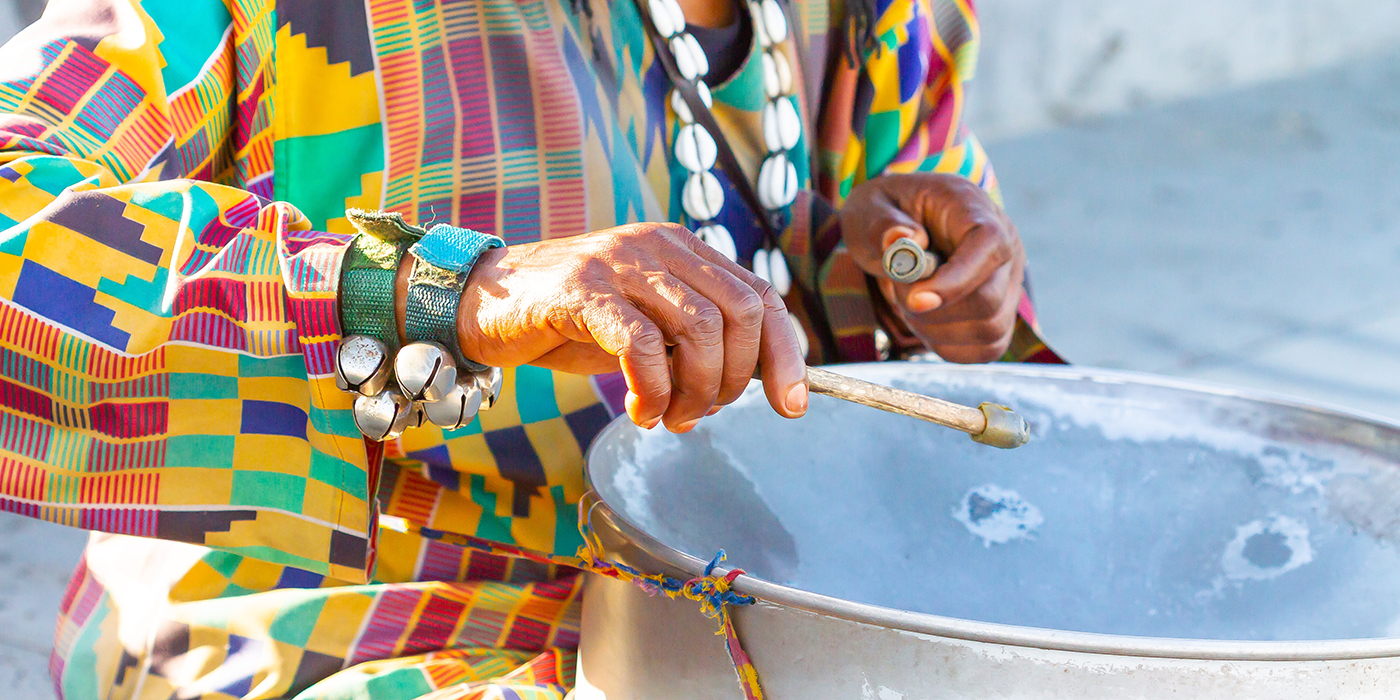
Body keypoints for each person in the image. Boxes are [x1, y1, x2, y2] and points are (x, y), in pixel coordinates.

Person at [0, 0, 1060, 697]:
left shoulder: (877, 20)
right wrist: (461, 292)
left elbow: (931, 314)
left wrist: (919, 283)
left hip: (740, 635)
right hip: (358, 630)